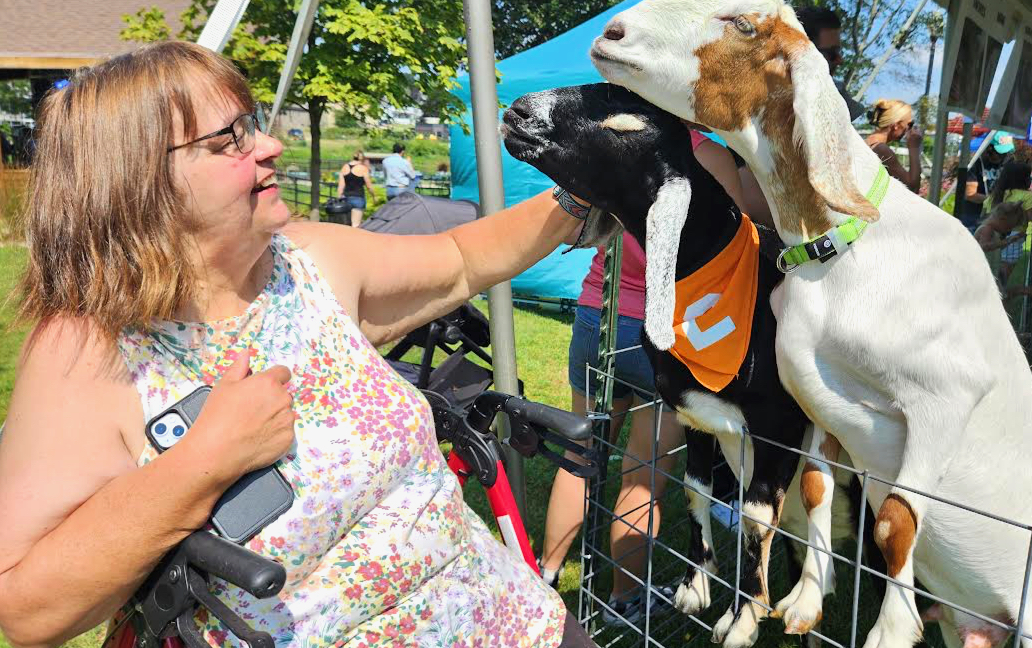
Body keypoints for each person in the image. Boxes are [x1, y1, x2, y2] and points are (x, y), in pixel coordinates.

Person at [0, 41, 598, 648]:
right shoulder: (86, 353)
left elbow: (461, 259)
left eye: (250, 123)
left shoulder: (306, 260)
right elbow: (24, 611)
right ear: (137, 181)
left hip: (512, 621)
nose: (268, 145)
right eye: (229, 138)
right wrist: (200, 465)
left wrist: (585, 191)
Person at [539, 231, 682, 625]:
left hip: (598, 313)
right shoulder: (704, 167)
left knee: (578, 456)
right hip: (663, 328)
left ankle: (544, 574)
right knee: (643, 475)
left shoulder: (618, 165)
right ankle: (625, 601)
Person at [795, 6, 865, 122]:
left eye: (839, 52)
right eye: (832, 53)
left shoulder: (837, 93)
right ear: (798, 53)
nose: (840, 61)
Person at [864, 99, 923, 192]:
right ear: (896, 125)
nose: (909, 129)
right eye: (909, 124)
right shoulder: (881, 150)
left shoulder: (868, 142)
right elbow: (912, 188)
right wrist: (914, 148)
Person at [961, 131, 1014, 230]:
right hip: (973, 219)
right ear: (989, 148)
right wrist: (995, 201)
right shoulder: (975, 164)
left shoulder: (1005, 164)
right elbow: (970, 194)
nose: (1003, 156)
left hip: (993, 219)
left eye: (1006, 153)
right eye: (1000, 153)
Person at [974, 201, 1028, 286]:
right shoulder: (987, 229)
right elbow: (982, 247)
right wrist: (1006, 241)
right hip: (979, 270)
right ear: (1002, 219)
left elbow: (994, 250)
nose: (1008, 231)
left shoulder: (993, 231)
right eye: (1008, 227)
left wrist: (1011, 240)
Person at [336, 150, 377, 226]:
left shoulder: (345, 167)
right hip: (358, 197)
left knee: (346, 225)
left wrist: (338, 198)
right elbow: (369, 186)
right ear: (362, 158)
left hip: (346, 198)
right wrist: (374, 196)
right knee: (356, 225)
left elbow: (341, 187)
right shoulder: (363, 168)